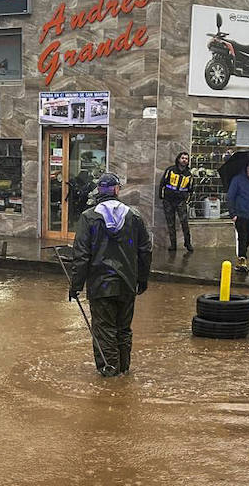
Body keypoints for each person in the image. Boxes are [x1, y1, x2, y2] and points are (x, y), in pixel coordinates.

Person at [68, 173, 152, 377]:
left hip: (100, 285)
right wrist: (142, 279)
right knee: (123, 329)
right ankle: (123, 371)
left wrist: (76, 285)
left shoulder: (88, 217)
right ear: (116, 190)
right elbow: (145, 251)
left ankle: (109, 373)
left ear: (99, 192)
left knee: (104, 330)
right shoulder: (134, 216)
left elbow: (81, 255)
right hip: (127, 284)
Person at [158, 151, 194, 253]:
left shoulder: (189, 175)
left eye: (186, 158)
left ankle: (187, 243)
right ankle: (173, 245)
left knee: (184, 223)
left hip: (181, 201)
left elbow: (191, 189)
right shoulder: (170, 170)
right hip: (168, 200)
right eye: (182, 158)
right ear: (178, 159)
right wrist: (162, 197)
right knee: (171, 224)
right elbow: (162, 183)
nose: (184, 160)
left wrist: (187, 201)